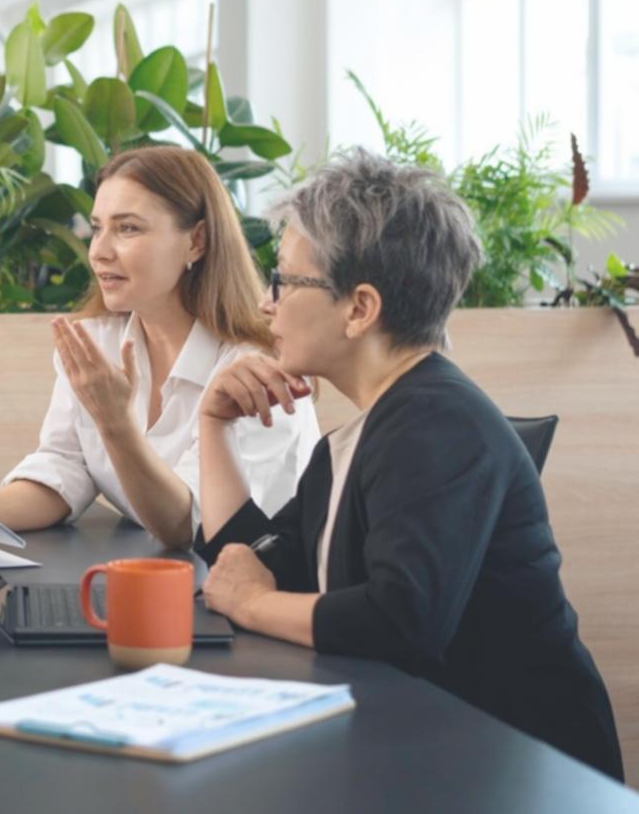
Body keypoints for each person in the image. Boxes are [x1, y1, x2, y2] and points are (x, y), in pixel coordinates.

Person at [195, 149, 622, 781]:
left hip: (522, 771)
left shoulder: (439, 425)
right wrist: (213, 428)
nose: (266, 304)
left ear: (359, 308)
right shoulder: (360, 437)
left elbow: (399, 619)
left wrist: (256, 605)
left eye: (283, 281)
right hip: (426, 747)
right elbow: (247, 561)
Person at [0, 146, 319, 548]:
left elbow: (186, 525)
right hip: (167, 579)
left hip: (258, 589)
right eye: (97, 227)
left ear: (196, 242)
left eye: (128, 229)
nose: (99, 251)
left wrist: (115, 421)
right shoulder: (97, 343)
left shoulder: (255, 373)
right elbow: (64, 467)